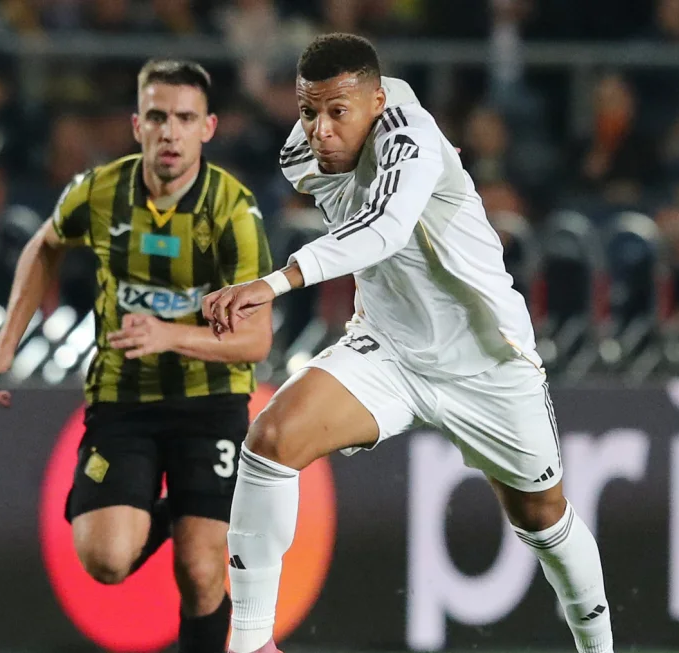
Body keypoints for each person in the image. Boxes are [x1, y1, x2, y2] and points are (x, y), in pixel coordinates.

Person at [203, 34, 616, 653]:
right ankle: (251, 644)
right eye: (308, 111)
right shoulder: (303, 151)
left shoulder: (413, 136)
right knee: (270, 440)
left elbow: (386, 230)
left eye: (338, 112)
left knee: (542, 518)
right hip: (390, 351)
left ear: (375, 100)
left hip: (486, 360)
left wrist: (276, 280)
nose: (319, 130)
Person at [0, 59, 274, 653]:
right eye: (159, 117)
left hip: (209, 402)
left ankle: (192, 523)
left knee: (201, 569)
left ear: (208, 128)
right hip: (123, 399)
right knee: (107, 561)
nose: (171, 132)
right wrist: (5, 342)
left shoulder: (233, 212)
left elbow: (256, 340)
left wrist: (171, 335)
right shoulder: (100, 191)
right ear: (137, 124)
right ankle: (170, 510)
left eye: (185, 118)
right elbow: (45, 246)